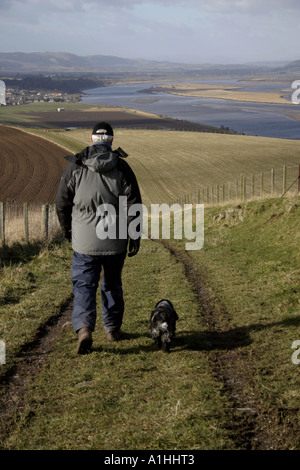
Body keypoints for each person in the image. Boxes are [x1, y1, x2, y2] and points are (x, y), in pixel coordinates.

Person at [56, 122, 142, 354]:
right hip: (115, 239)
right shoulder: (122, 168)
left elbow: (62, 202)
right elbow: (134, 204)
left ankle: (84, 328)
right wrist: (134, 236)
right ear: (111, 141)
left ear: (92, 139)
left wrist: (67, 229)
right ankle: (112, 328)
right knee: (112, 283)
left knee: (84, 285)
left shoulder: (75, 167)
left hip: (84, 241)